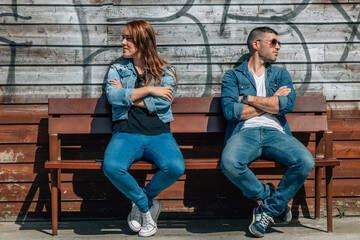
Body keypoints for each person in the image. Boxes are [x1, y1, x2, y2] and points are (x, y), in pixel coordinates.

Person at [220, 27, 315, 238]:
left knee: (305, 161)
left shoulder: (281, 74)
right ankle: (270, 196)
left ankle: (267, 210)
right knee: (229, 164)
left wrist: (248, 98)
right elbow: (230, 111)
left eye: (278, 43)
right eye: (273, 42)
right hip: (244, 132)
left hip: (276, 132)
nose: (278, 47)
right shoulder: (232, 76)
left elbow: (286, 105)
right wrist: (272, 100)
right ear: (257, 44)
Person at [103, 20, 185, 237]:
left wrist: (128, 96)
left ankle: (144, 200)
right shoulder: (117, 69)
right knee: (112, 166)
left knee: (175, 167)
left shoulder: (165, 71)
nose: (123, 42)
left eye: (129, 38)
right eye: (123, 37)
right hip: (126, 132)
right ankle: (145, 205)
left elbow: (163, 102)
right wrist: (150, 89)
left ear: (143, 40)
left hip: (158, 133)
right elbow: (113, 97)